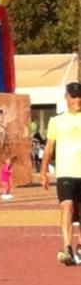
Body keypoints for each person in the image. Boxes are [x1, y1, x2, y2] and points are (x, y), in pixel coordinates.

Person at [41, 82, 81, 265]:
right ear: (67, 98)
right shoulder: (56, 121)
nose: (77, 100)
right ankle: (67, 247)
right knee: (67, 207)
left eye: (80, 96)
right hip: (66, 173)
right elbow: (49, 148)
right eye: (73, 96)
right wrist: (44, 171)